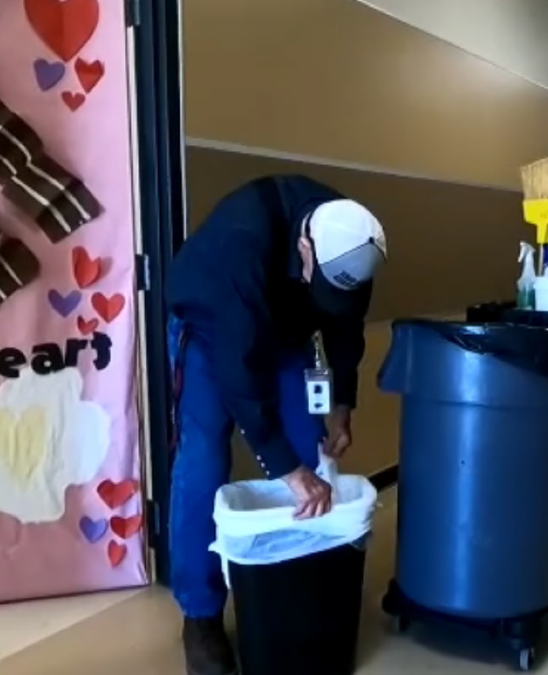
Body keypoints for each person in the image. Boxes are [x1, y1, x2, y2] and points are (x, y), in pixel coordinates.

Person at [166, 175, 388, 675]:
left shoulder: (353, 237)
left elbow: (345, 327)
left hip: (288, 333)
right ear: (304, 248)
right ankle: (199, 616)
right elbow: (237, 369)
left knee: (313, 458)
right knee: (204, 460)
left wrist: (342, 403)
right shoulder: (243, 242)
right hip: (209, 329)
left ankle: (290, 590)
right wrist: (281, 465)